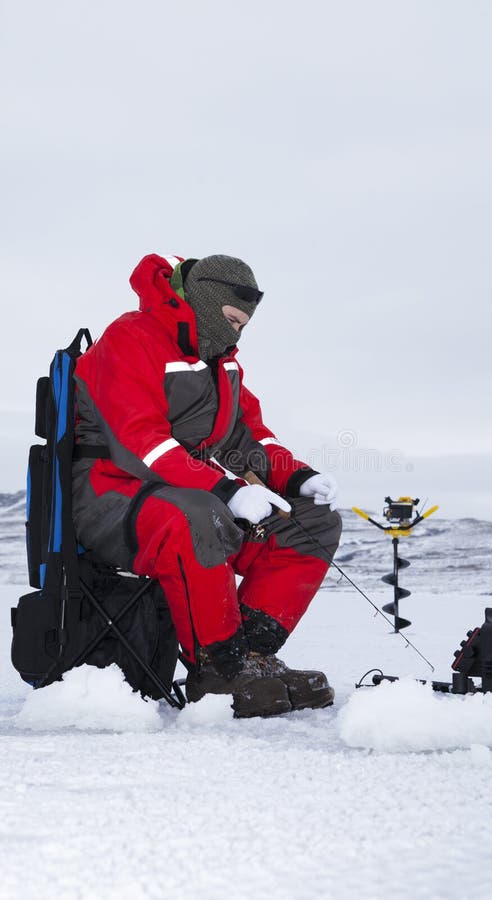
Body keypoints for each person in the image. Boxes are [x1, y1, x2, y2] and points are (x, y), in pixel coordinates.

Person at [72, 252, 342, 717]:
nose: (236, 334)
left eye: (243, 326)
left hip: (186, 495)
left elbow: (246, 436)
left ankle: (250, 659)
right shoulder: (130, 338)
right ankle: (216, 670)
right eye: (232, 320)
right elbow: (140, 443)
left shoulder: (223, 363)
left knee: (313, 522)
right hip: (109, 497)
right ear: (205, 301)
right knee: (200, 513)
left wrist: (298, 476)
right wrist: (228, 492)